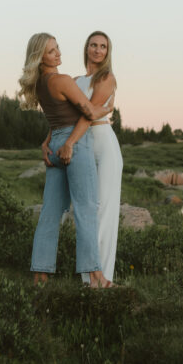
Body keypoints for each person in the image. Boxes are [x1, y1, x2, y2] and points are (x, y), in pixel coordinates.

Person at [18, 32, 114, 288]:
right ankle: (95, 276)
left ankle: (40, 275)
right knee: (85, 209)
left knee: (50, 211)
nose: (58, 53)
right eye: (52, 51)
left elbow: (57, 117)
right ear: (40, 58)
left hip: (55, 143)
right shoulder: (61, 80)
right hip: (74, 145)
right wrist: (107, 109)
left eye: (58, 47)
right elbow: (90, 111)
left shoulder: (40, 83)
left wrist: (49, 141)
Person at [43, 31, 122, 285]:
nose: (98, 50)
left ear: (108, 52)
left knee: (104, 209)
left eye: (103, 46)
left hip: (101, 143)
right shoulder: (75, 80)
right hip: (79, 143)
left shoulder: (107, 78)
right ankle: (90, 277)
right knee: (86, 208)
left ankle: (101, 276)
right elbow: (64, 116)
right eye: (93, 45)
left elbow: (88, 116)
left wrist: (69, 143)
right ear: (86, 48)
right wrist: (48, 140)